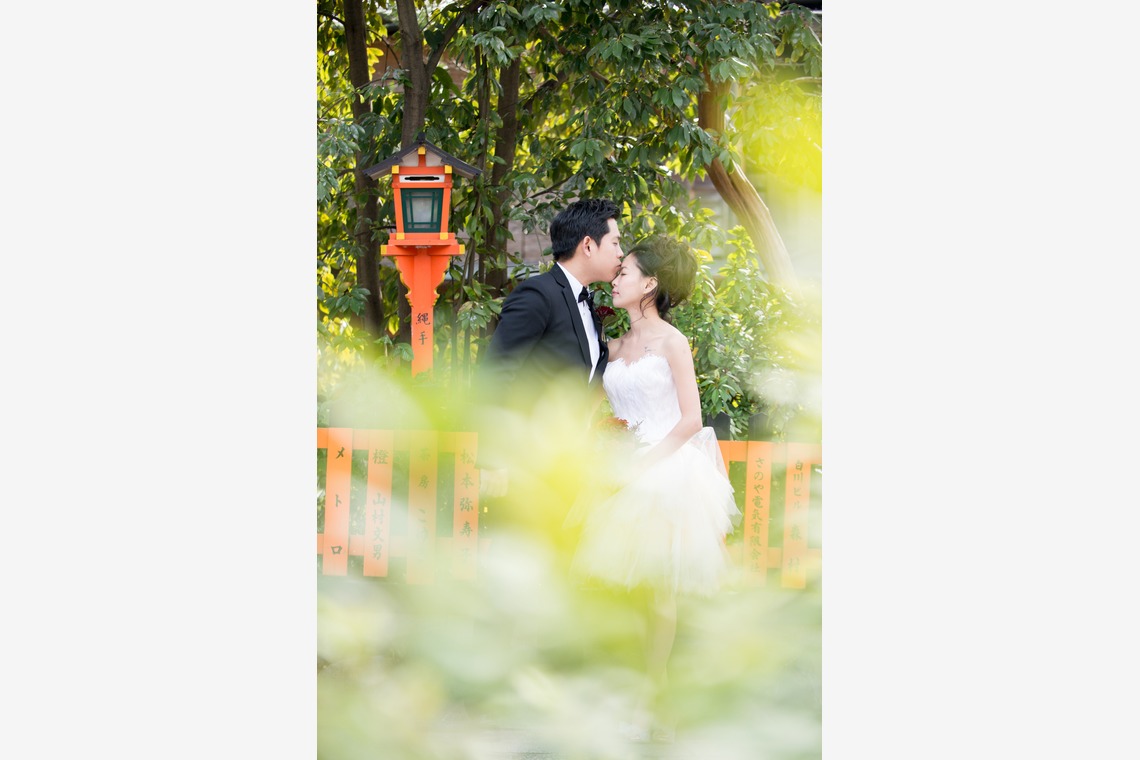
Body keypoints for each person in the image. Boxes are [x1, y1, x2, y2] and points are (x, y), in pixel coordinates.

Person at [564, 234, 740, 741]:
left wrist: (639, 467)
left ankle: (652, 698)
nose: (616, 277)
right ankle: (633, 691)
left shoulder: (673, 343)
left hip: (666, 474)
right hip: (620, 475)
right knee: (629, 591)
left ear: (651, 284)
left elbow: (690, 420)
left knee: (660, 592)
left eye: (626, 272)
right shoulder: (612, 345)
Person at [476, 198, 625, 499]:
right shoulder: (537, 294)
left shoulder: (586, 303)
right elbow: (495, 373)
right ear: (587, 245)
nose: (621, 253)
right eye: (615, 243)